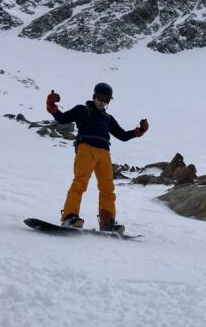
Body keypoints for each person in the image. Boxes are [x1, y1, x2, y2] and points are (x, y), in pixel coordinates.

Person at [46, 82, 148, 233]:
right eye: (100, 98)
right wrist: (51, 105)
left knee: (108, 188)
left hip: (104, 153)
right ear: (94, 96)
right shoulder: (82, 110)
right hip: (86, 149)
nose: (102, 102)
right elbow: (62, 118)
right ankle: (69, 217)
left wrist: (138, 131)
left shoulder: (108, 118)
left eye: (106, 100)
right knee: (80, 182)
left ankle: (107, 222)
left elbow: (122, 136)